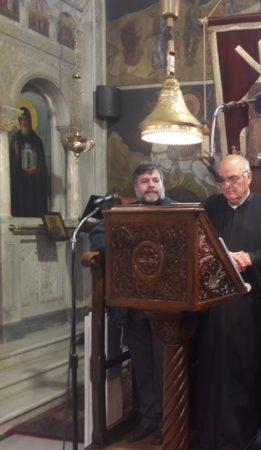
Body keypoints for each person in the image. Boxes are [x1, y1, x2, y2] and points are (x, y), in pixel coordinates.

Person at [190, 154, 261, 450]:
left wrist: (250, 257)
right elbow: (197, 242)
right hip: (212, 298)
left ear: (248, 177)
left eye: (233, 179)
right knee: (209, 366)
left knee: (241, 367)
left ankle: (241, 434)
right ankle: (208, 433)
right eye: (221, 180)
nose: (227, 185)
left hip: (252, 298)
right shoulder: (210, 207)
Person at [89, 162, 172, 446]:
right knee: (142, 366)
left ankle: (168, 422)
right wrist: (134, 245)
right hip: (134, 304)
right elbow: (98, 236)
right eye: (145, 181)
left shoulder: (176, 212)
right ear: (136, 187)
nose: (151, 185)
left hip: (166, 304)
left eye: (155, 180)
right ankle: (148, 419)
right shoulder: (124, 213)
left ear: (162, 184)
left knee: (164, 367)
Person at [9, 107, 49, 217]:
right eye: (21, 120)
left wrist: (37, 169)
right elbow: (11, 164)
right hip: (20, 183)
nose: (23, 122)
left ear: (30, 120)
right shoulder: (16, 139)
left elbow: (42, 164)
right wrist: (16, 152)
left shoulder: (37, 140)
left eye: (25, 119)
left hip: (34, 183)